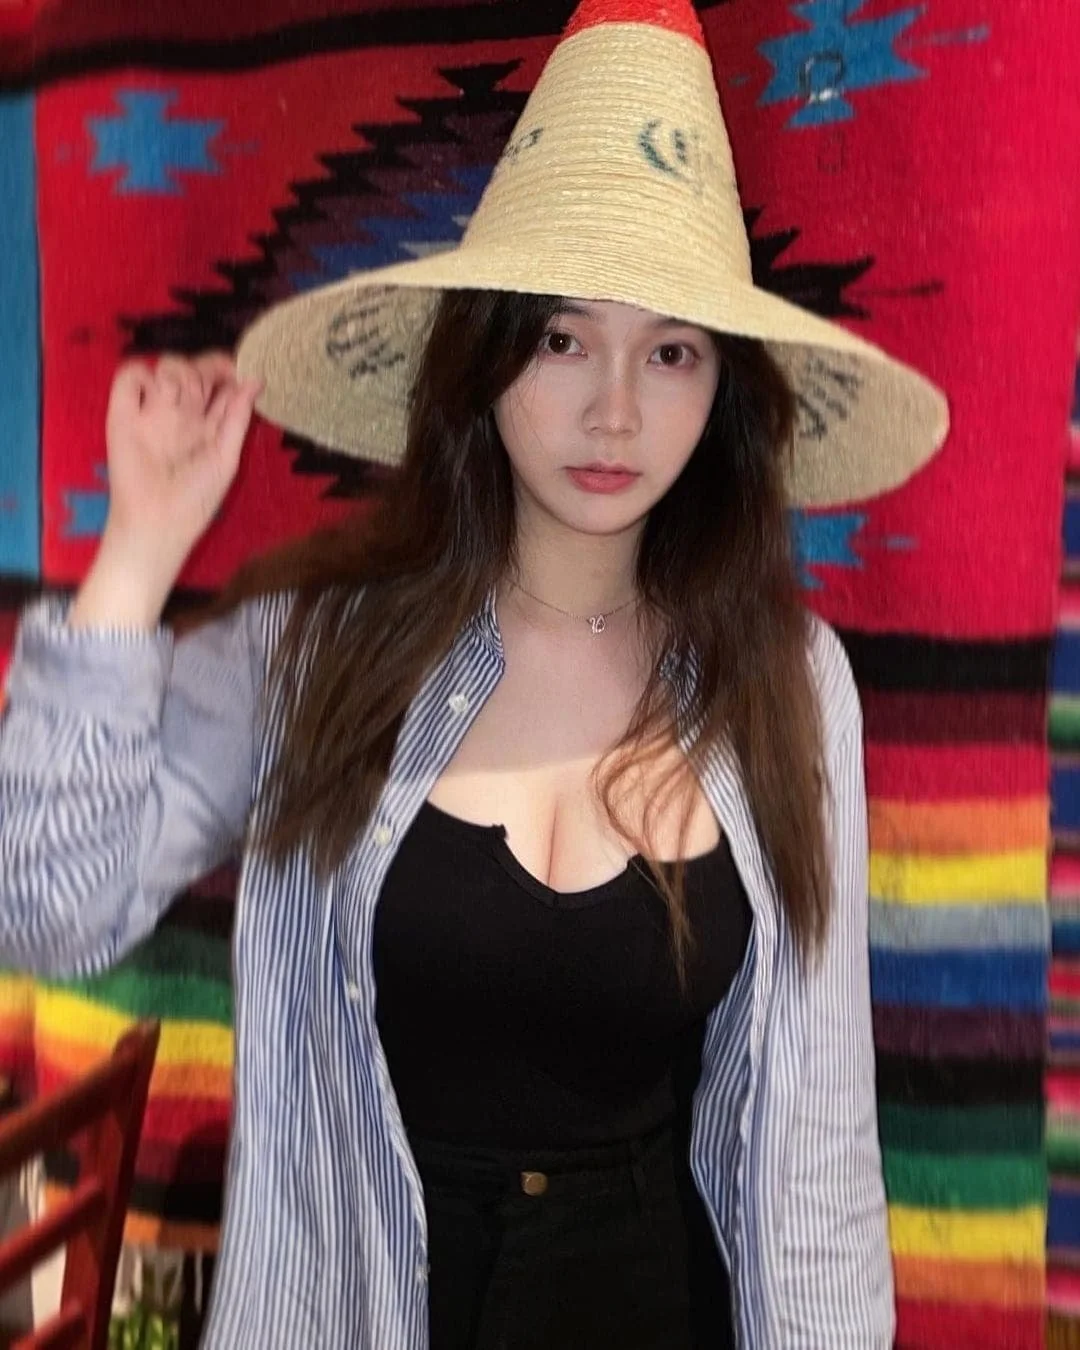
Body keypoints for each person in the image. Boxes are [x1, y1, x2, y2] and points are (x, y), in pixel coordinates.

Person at [0, 0, 949, 1346]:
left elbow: (814, 1146)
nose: (614, 409)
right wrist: (138, 554)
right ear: (485, 355)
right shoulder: (318, 652)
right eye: (561, 338)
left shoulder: (788, 684)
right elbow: (43, 907)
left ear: (723, 390)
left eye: (670, 351)